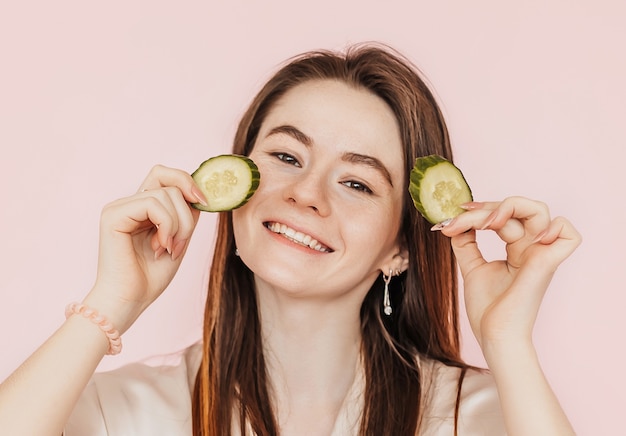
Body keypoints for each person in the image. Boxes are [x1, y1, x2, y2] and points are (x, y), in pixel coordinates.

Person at [0, 43, 580, 435]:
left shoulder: (474, 416)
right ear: (233, 187)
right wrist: (110, 304)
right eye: (285, 156)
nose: (306, 194)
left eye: (356, 182)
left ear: (400, 246)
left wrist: (507, 340)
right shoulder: (126, 409)